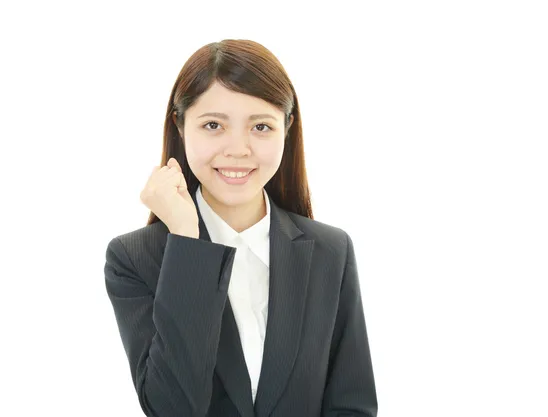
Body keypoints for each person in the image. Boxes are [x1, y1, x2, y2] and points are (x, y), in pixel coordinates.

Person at [103, 39, 377, 417]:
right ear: (180, 126)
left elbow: (353, 405)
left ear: (287, 129)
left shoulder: (330, 250)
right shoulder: (134, 258)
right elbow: (173, 409)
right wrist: (186, 242)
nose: (238, 149)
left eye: (261, 126)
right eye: (213, 125)